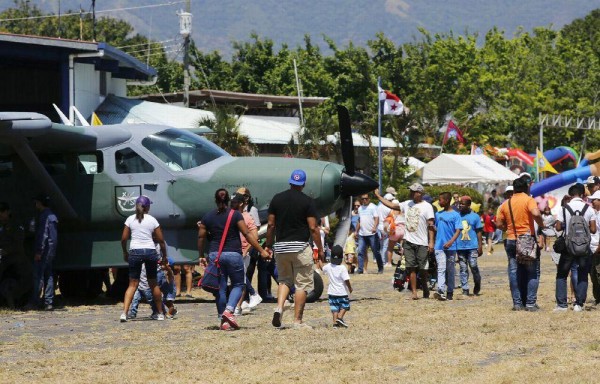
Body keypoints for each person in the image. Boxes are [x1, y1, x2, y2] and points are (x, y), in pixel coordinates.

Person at [198, 189, 271, 330]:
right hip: (233, 254)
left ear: (215, 200)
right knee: (238, 284)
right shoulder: (235, 215)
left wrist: (201, 255)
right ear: (228, 201)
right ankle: (229, 310)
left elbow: (201, 237)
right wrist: (261, 250)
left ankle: (223, 320)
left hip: (215, 255)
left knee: (220, 287)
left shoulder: (208, 216)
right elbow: (247, 233)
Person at [265, 169, 324, 329]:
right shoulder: (307, 201)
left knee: (284, 280)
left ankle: (279, 307)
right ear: (303, 184)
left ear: (290, 182)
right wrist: (320, 248)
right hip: (300, 247)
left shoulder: (277, 199)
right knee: (302, 284)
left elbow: (271, 225)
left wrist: (268, 245)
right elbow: (313, 228)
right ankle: (297, 320)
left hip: (281, 247)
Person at [375, 184, 435, 300]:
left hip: (422, 242)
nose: (410, 193)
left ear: (420, 193)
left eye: (413, 191)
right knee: (411, 267)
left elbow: (431, 226)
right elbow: (391, 205)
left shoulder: (427, 206)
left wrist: (431, 242)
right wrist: (378, 196)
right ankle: (414, 292)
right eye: (410, 191)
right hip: (408, 241)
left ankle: (425, 287)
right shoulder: (406, 204)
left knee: (423, 268)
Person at [495, 177, 544, 311]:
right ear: (527, 187)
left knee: (514, 271)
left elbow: (498, 223)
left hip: (511, 239)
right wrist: (541, 224)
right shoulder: (529, 200)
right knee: (532, 272)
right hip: (527, 239)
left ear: (514, 189)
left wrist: (507, 228)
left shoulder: (506, 203)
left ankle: (517, 303)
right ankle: (530, 303)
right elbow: (535, 213)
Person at [120, 195, 167, 322]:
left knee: (132, 284)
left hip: (135, 251)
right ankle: (160, 313)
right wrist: (164, 255)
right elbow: (161, 240)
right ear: (147, 207)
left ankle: (124, 313)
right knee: (153, 283)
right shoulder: (152, 220)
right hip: (150, 251)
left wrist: (125, 252)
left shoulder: (130, 219)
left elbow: (124, 239)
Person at [554, 183, 596, 312]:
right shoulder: (589, 209)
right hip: (583, 247)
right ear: (583, 194)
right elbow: (593, 229)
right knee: (583, 274)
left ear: (570, 195)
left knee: (562, 274)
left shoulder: (564, 208)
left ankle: (562, 305)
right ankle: (579, 304)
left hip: (568, 246)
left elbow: (558, 227)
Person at [231, 193, 262, 315]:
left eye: (233, 202)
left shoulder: (247, 217)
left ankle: (239, 305)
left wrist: (246, 250)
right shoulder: (231, 215)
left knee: (240, 279)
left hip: (242, 252)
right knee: (237, 279)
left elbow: (254, 236)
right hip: (233, 251)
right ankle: (250, 296)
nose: (231, 204)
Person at [28, 194, 58, 311]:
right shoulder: (52, 216)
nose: (35, 205)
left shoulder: (44, 216)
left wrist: (39, 251)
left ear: (40, 203)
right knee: (49, 276)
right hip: (50, 251)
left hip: (44, 251)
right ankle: (48, 302)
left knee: (38, 276)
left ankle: (34, 301)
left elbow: (43, 235)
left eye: (36, 203)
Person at [433, 192, 462, 301]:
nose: (439, 202)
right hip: (439, 246)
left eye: (440, 200)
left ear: (446, 201)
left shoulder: (455, 215)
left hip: (451, 247)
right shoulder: (438, 214)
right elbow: (437, 228)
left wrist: (451, 241)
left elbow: (458, 230)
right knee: (441, 268)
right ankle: (440, 290)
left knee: (450, 269)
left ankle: (450, 291)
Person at [0, 202, 28, 308]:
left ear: (7, 212)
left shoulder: (15, 225)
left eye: (2, 212)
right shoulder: (2, 225)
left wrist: (5, 251)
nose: (0, 215)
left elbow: (17, 243)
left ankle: (12, 304)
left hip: (14, 259)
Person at [318, 245, 352, 328]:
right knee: (345, 305)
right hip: (342, 292)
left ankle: (335, 324)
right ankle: (340, 318)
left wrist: (319, 259)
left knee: (334, 308)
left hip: (331, 292)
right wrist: (350, 288)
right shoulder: (342, 268)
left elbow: (322, 268)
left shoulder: (328, 266)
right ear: (341, 257)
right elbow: (346, 280)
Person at [456, 196, 483, 296]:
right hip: (460, 247)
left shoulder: (475, 217)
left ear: (468, 205)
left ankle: (477, 282)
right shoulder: (457, 216)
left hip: (472, 246)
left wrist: (480, 246)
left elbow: (479, 232)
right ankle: (465, 289)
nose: (460, 205)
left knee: (473, 265)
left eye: (463, 204)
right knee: (463, 268)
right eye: (460, 203)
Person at [355, 193, 383, 274]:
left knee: (376, 252)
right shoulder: (360, 208)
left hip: (372, 234)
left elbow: (376, 218)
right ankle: (360, 269)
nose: (364, 200)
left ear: (369, 199)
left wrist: (375, 227)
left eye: (366, 198)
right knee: (360, 251)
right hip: (362, 234)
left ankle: (380, 268)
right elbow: (359, 220)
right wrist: (356, 231)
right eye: (363, 199)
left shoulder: (373, 207)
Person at [588, 190, 600, 306]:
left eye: (594, 200)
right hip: (593, 248)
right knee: (594, 275)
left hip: (597, 249)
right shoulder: (596, 214)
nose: (592, 202)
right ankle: (597, 298)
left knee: (598, 274)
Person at [377, 193, 394, 268]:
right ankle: (384, 261)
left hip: (379, 227)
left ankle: (381, 260)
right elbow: (393, 217)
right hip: (385, 227)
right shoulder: (389, 208)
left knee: (381, 245)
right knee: (385, 245)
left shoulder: (378, 207)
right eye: (391, 200)